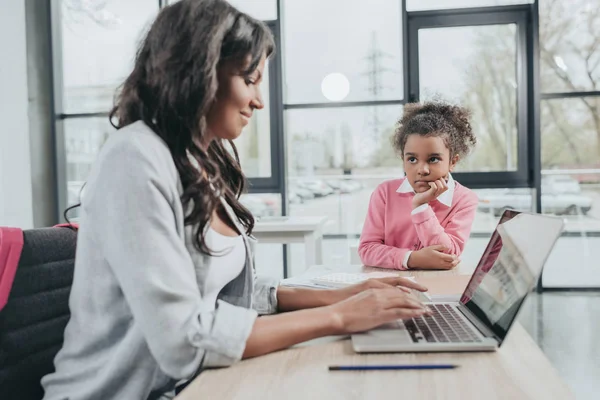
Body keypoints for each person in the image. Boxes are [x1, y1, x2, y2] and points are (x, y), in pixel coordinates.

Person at [41, 1, 430, 399]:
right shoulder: (134, 158)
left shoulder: (198, 160)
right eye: (250, 79)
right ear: (198, 70)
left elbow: (231, 295)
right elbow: (185, 340)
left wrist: (348, 294)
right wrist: (338, 317)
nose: (259, 100)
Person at [358, 101, 478, 270]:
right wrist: (412, 259)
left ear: (452, 161)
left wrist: (420, 206)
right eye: (412, 159)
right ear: (403, 159)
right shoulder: (385, 193)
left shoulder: (464, 199)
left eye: (433, 159)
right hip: (392, 287)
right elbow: (367, 249)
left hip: (438, 287)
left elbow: (448, 255)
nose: (422, 170)